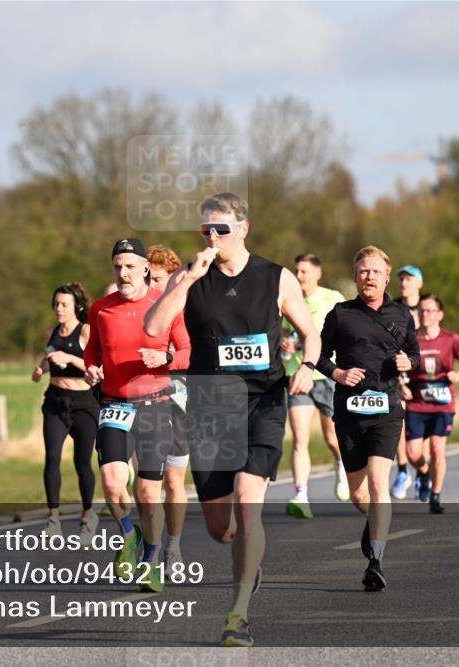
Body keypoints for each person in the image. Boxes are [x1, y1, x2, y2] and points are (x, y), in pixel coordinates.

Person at [145, 193, 319, 647]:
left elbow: (310, 331)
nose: (213, 237)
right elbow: (153, 327)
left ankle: (237, 612)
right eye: (206, 230)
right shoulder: (189, 275)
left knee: (248, 498)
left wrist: (307, 366)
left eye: (221, 229)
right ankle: (248, 554)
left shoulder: (276, 277)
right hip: (210, 405)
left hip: (263, 401)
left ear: (243, 228)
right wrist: (187, 281)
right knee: (223, 528)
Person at [84, 238, 191, 594]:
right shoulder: (100, 309)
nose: (123, 272)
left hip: (156, 406)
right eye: (117, 266)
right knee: (114, 484)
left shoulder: (164, 306)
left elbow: (189, 353)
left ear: (146, 268)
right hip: (115, 404)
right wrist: (91, 369)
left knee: (148, 492)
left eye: (130, 266)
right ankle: (128, 535)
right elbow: (91, 352)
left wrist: (166, 360)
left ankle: (150, 561)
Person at [319, 246, 419, 593]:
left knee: (379, 483)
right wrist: (338, 373)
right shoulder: (340, 314)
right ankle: (372, 522)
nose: (369, 277)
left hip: (387, 410)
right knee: (359, 494)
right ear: (356, 276)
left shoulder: (403, 315)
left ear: (386, 277)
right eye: (363, 271)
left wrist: (408, 364)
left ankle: (375, 561)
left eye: (376, 271)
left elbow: (415, 355)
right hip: (349, 411)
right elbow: (317, 355)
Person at [281, 253, 348, 517]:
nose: (299, 276)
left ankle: (342, 464)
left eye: (304, 272)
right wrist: (284, 344)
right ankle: (301, 494)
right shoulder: (288, 300)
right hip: (298, 375)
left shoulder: (332, 298)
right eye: (296, 271)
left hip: (326, 377)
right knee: (300, 438)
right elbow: (284, 334)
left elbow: (347, 331)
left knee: (332, 436)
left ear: (317, 274)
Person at [31, 283, 99, 541]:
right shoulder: (52, 332)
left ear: (77, 307)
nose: (59, 309)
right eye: (56, 304)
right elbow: (47, 359)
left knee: (82, 463)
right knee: (52, 457)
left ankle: (87, 516)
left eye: (64, 305)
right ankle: (53, 518)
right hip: (55, 401)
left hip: (84, 403)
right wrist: (40, 370)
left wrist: (70, 359)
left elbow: (95, 365)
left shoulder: (86, 331)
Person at [403, 294, 459, 513]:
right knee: (413, 453)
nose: (426, 314)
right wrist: (401, 385)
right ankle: (424, 472)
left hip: (443, 403)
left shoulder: (451, 339)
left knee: (437, 448)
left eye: (431, 310)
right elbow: (399, 365)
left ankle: (435, 495)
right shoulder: (411, 339)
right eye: (422, 311)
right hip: (417, 402)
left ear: (440, 315)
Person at [147, 244, 189, 574]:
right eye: (147, 276)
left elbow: (193, 354)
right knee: (147, 484)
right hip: (142, 399)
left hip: (179, 397)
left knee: (174, 481)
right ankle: (150, 547)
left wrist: (169, 358)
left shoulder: (181, 311)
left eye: (157, 278)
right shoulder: (136, 312)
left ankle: (173, 546)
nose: (151, 284)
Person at [390, 265, 423, 499]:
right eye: (401, 278)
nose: (404, 283)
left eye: (409, 278)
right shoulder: (393, 308)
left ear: (419, 282)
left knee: (422, 439)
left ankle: (423, 472)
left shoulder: (428, 307)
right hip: (400, 372)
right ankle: (402, 470)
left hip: (424, 373)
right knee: (397, 420)